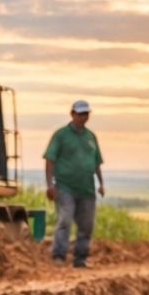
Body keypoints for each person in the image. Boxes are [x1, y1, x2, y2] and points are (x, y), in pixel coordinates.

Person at [43, 99, 105, 268]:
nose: (83, 117)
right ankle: (59, 256)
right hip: (64, 186)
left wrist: (101, 183)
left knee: (86, 225)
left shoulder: (91, 137)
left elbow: (96, 163)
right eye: (80, 113)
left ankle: (80, 259)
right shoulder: (61, 135)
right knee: (65, 220)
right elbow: (50, 160)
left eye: (86, 114)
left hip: (87, 188)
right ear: (72, 114)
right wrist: (50, 185)